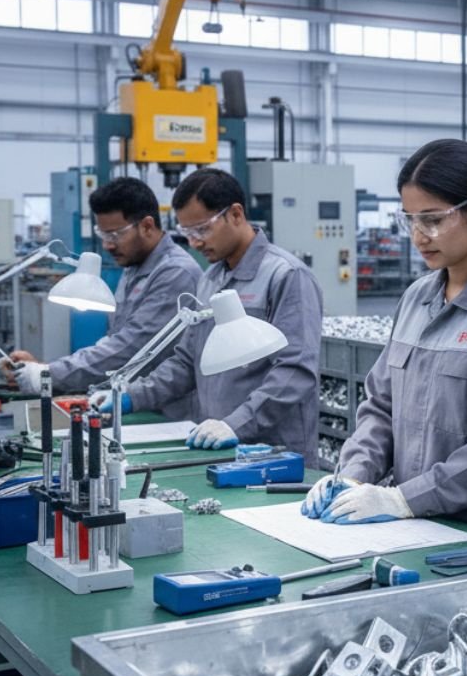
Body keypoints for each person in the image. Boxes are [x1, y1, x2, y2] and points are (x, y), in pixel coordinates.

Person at [300, 139, 467, 547]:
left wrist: (406, 499)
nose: (418, 236)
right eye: (409, 220)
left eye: (432, 220)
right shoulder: (416, 299)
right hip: (412, 531)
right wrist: (354, 475)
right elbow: (381, 406)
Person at [96, 167, 323, 464]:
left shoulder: (286, 276)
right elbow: (187, 362)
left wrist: (235, 424)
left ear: (236, 214)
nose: (194, 243)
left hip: (274, 454)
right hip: (214, 445)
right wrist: (131, 396)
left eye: (202, 230)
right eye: (187, 233)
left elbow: (295, 371)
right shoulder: (210, 279)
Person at [2, 177, 202, 395]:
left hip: (166, 409)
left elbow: (129, 350)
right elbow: (115, 341)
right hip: (129, 399)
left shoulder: (175, 273)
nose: (107, 245)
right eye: (102, 234)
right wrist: (44, 367)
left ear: (146, 226)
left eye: (115, 235)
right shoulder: (134, 266)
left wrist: (48, 374)